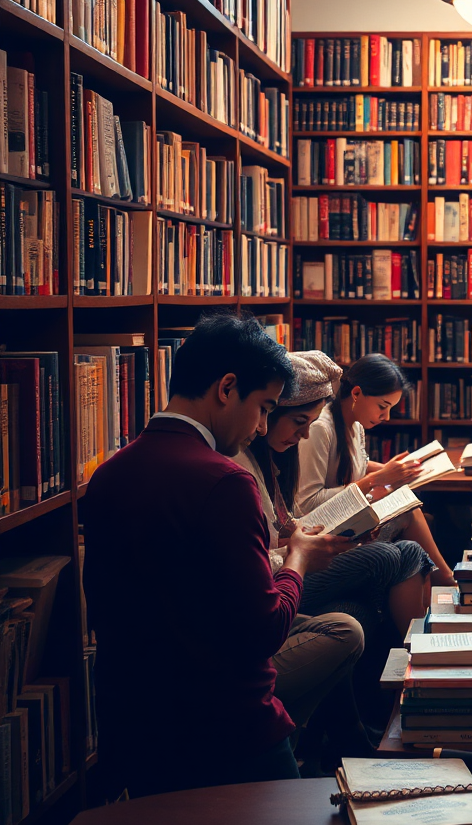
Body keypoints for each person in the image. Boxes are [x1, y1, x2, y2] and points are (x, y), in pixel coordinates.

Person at [82, 313, 354, 799]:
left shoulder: (109, 474)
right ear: (227, 387)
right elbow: (265, 630)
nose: (262, 426)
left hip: (137, 728)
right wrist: (298, 560)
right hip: (228, 726)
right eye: (265, 407)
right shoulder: (225, 481)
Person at [237, 350, 431, 639]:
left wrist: (347, 532)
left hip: (296, 556)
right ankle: (421, 642)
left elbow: (286, 523)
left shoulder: (272, 459)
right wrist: (305, 546)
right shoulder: (243, 467)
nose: (304, 435)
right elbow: (273, 542)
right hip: (284, 573)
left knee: (401, 561)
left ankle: (415, 658)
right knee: (385, 555)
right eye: (299, 423)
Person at [295, 353, 455, 585]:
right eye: (383, 406)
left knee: (410, 506)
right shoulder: (321, 428)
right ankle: (447, 579)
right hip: (325, 528)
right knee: (409, 513)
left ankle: (440, 583)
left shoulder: (355, 426)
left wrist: (400, 471)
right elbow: (306, 502)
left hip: (349, 517)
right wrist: (377, 478)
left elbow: (356, 464)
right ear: (357, 393)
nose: (386, 417)